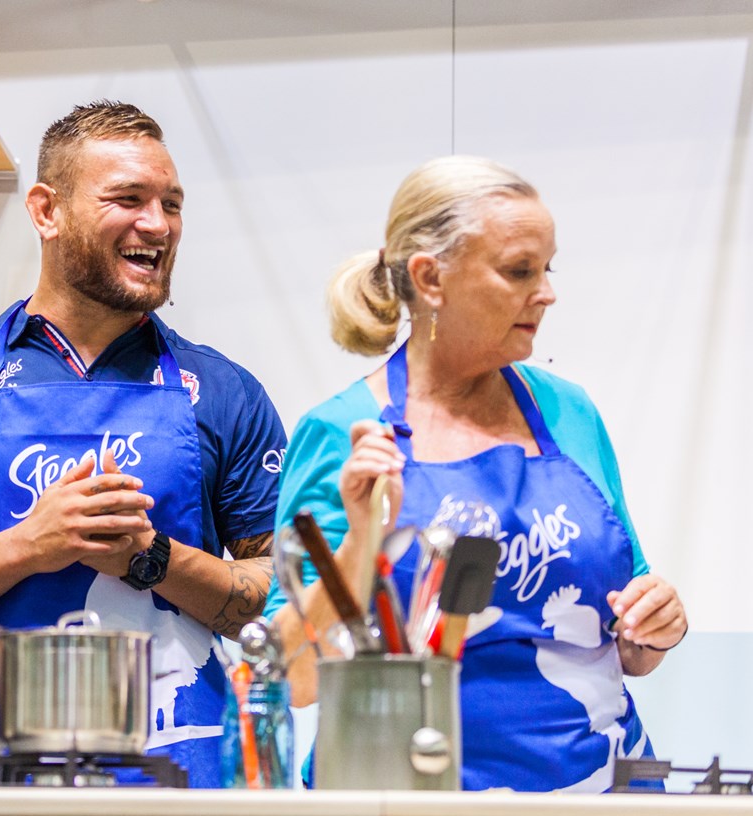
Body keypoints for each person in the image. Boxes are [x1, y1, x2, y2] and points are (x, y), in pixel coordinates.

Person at [0, 100, 287, 788]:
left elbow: (287, 601)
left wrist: (153, 559)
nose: (158, 224)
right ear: (46, 211)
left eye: (171, 204)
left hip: (177, 779)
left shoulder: (226, 393)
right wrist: (29, 545)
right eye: (128, 199)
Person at [264, 155, 687, 792]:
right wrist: (358, 542)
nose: (546, 293)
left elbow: (626, 639)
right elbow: (290, 678)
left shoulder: (568, 411)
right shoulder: (343, 432)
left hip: (605, 795)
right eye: (519, 271)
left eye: (547, 269)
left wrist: (652, 628)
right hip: (414, 799)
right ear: (430, 278)